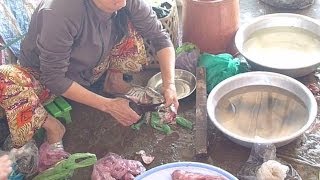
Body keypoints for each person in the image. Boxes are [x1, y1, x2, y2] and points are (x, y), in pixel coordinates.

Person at [0, 0, 179, 154]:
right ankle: (54, 128)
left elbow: (159, 37)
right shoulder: (60, 11)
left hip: (94, 66)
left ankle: (113, 82)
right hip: (46, 79)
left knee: (132, 21)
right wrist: (108, 106)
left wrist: (169, 85)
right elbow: (53, 78)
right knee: (5, 78)